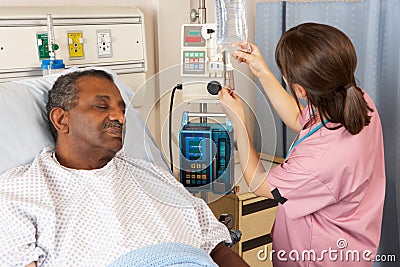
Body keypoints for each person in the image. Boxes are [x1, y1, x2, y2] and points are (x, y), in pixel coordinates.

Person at [0, 69, 249, 267]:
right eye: (102, 106)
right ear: (61, 119)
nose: (120, 117)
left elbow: (216, 248)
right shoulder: (19, 192)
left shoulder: (153, 175)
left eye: (122, 108)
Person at [218, 23, 385, 266]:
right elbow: (300, 120)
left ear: (300, 90)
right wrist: (261, 70)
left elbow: (260, 185)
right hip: (352, 243)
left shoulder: (319, 161)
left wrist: (239, 120)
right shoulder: (356, 99)